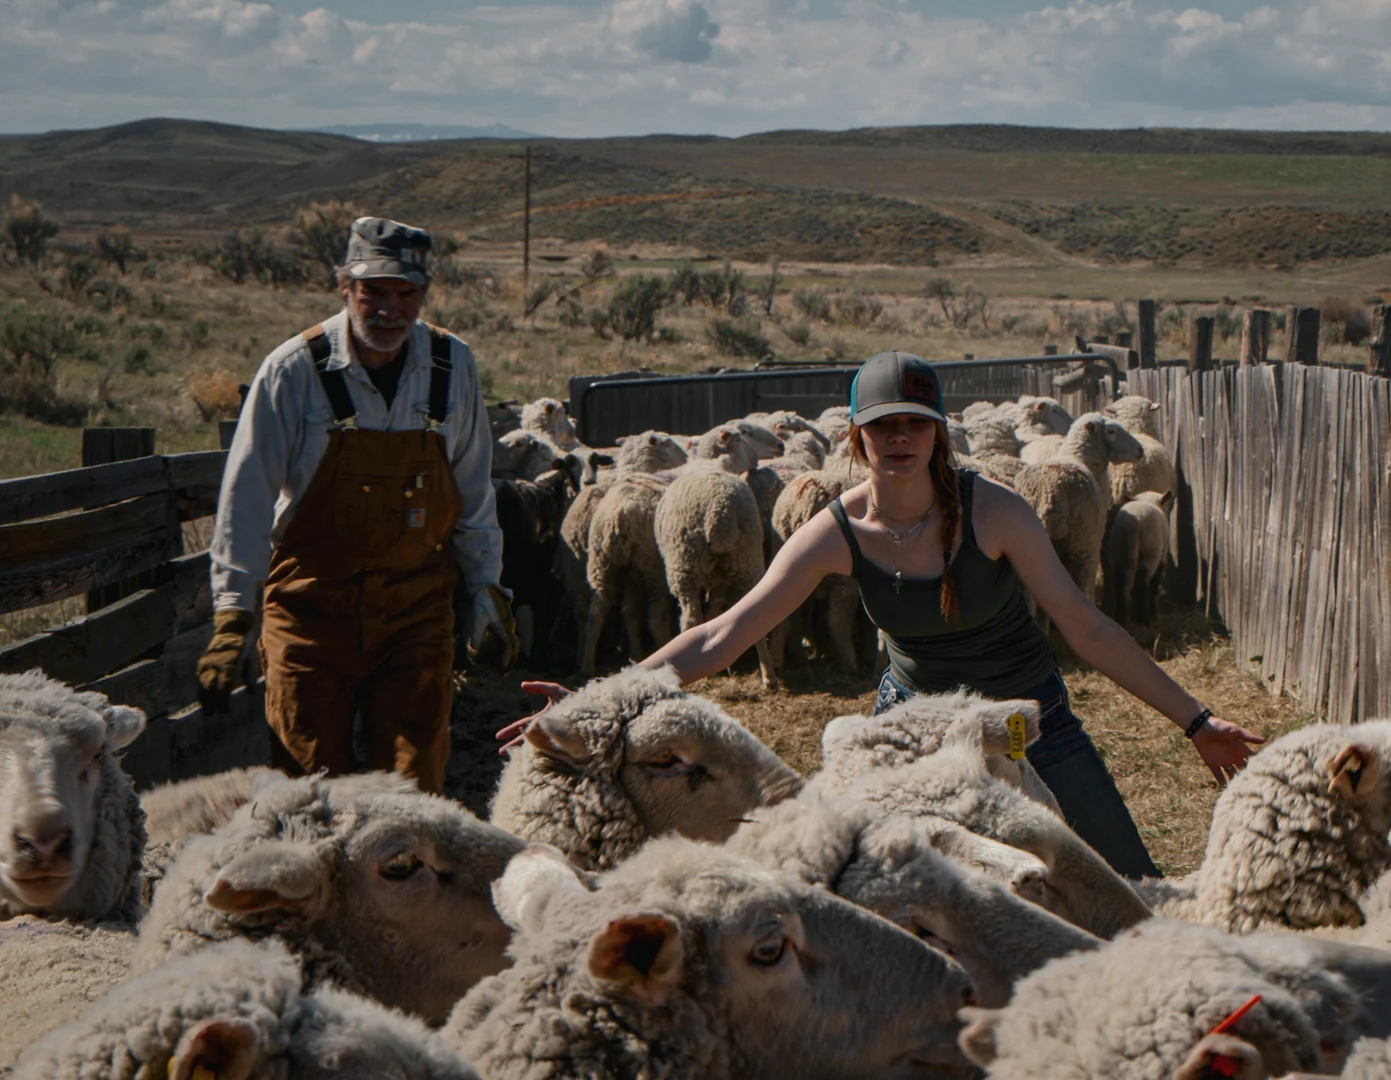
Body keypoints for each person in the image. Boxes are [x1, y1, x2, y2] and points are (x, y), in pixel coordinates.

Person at [500, 351, 1263, 876]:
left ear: (937, 432)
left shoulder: (994, 511)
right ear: (855, 437)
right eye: (882, 426)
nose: (899, 439)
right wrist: (602, 706)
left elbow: (1087, 625)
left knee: (1122, 881)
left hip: (1034, 726)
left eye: (914, 424)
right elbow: (727, 631)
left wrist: (1197, 723)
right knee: (868, 884)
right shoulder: (835, 531)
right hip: (909, 731)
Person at [197, 216, 518, 795]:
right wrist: (232, 617)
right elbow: (245, 499)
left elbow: (472, 494)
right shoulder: (293, 372)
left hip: (415, 611)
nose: (389, 309)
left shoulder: (452, 369)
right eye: (374, 291)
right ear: (345, 287)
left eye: (406, 294)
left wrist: (486, 589)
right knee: (311, 789)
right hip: (311, 612)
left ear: (424, 295)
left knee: (416, 789)